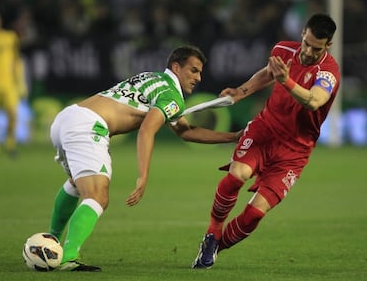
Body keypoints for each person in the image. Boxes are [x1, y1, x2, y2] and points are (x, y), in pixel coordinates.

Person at [48, 45, 241, 271]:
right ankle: (68, 257)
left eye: (200, 72)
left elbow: (185, 131)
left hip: (67, 118)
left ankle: (49, 242)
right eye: (194, 70)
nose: (199, 77)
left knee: (77, 184)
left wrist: (234, 137)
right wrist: (143, 176)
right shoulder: (172, 95)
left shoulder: (154, 79)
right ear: (176, 67)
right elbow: (147, 130)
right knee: (97, 195)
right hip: (89, 125)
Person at [192, 13, 340, 269]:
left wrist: (287, 81)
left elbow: (314, 100)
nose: (308, 51)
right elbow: (267, 74)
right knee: (236, 176)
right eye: (306, 42)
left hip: (295, 150)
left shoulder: (328, 72)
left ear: (328, 45)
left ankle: (216, 246)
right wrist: (241, 92)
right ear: (303, 33)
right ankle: (212, 232)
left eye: (316, 48)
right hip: (265, 130)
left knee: (254, 215)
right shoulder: (283, 50)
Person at [0, 9, 26, 157]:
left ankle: (10, 142)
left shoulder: (10, 38)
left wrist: (21, 82)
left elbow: (16, 60)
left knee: (13, 114)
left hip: (8, 83)